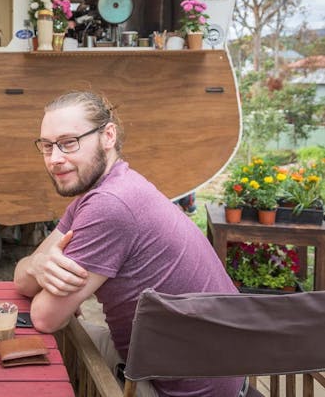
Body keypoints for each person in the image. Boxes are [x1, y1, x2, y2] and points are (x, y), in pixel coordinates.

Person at [13, 92, 244, 397]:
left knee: (28, 345)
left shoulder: (111, 204)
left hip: (185, 390)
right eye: (47, 146)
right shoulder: (103, 189)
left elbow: (45, 315)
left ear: (108, 136)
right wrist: (37, 266)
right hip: (212, 372)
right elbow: (22, 278)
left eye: (69, 143)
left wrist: (38, 272)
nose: (55, 158)